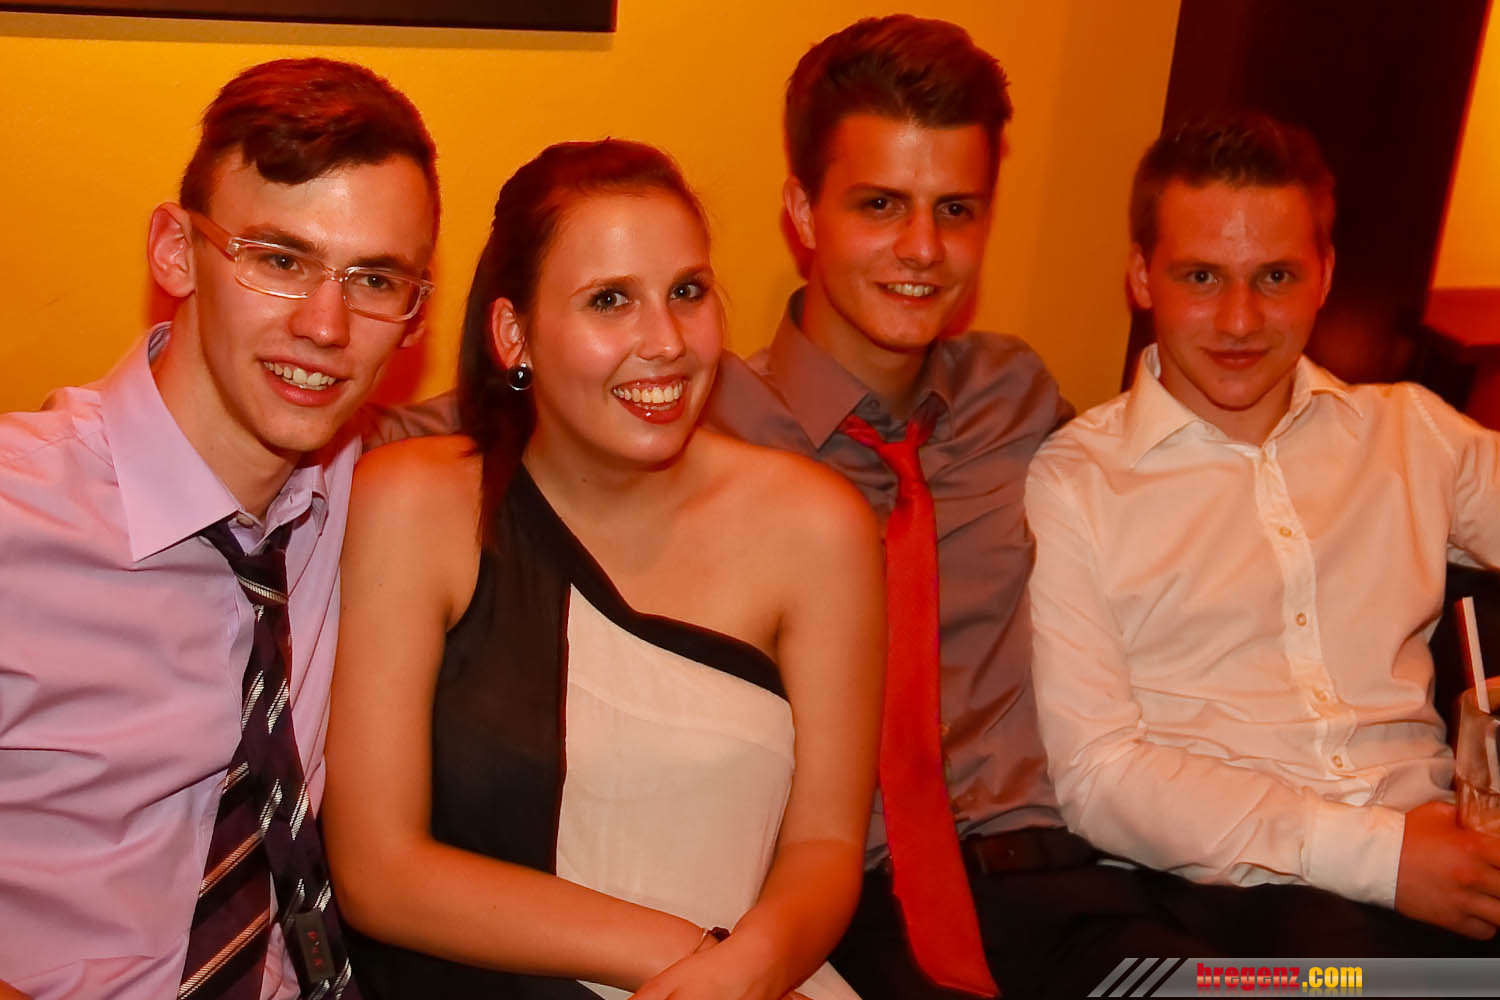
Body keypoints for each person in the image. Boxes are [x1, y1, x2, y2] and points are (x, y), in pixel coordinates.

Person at [706, 15, 1212, 1000]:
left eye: (957, 210)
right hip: (834, 911)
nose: (924, 250)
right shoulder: (702, 419)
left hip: (1063, 888)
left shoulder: (1014, 394)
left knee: (1341, 989)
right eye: (880, 205)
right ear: (802, 211)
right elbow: (481, 425)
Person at [321, 139, 884, 1000]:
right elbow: (378, 871)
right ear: (514, 335)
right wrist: (687, 961)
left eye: (687, 293)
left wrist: (749, 969)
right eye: (610, 300)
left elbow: (826, 845)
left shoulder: (818, 526)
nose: (666, 342)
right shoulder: (413, 504)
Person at [0, 59, 439, 999]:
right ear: (174, 251)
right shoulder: (17, 519)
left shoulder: (380, 495)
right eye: (279, 260)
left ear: (414, 314)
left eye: (374, 278)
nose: (326, 326)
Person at [1027, 110, 1500, 955]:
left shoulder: (1412, 434)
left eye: (1275, 276)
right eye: (1202, 277)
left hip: (1453, 851)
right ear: (1141, 276)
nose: (1240, 321)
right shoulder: (1073, 484)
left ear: (1326, 275)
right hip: (1232, 899)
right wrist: (1385, 858)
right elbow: (1098, 775)